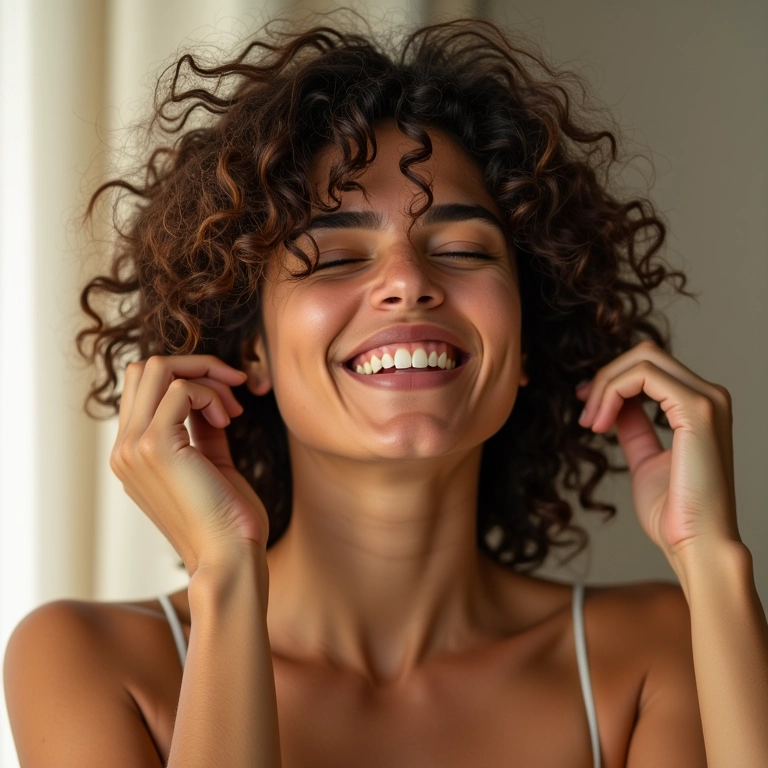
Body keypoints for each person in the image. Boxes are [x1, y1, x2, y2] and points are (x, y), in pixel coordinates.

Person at [4, 11, 767, 767]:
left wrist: (713, 562)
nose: (407, 283)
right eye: (335, 258)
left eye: (463, 249)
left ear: (528, 339)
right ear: (251, 350)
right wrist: (227, 578)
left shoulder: (656, 649)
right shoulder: (88, 660)